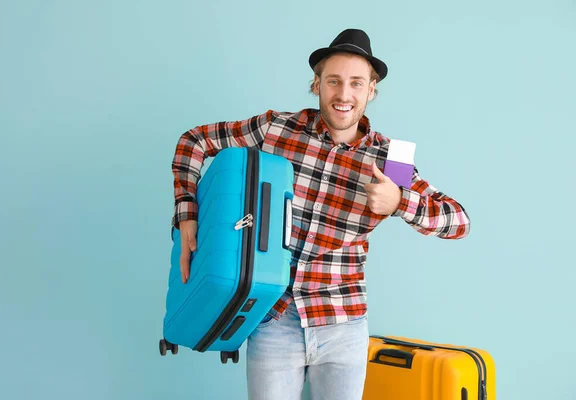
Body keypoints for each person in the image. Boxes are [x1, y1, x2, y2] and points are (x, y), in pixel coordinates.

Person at [171, 28, 470, 400]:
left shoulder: (391, 159)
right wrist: (187, 216)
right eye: (334, 81)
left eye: (356, 83)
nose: (344, 95)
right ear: (317, 85)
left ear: (371, 90)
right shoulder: (276, 129)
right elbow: (194, 141)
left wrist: (399, 203)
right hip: (273, 320)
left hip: (343, 324)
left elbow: (458, 221)